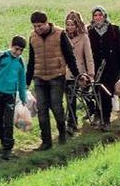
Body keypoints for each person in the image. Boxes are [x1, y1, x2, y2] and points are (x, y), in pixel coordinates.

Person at [26, 10, 80, 150]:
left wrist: (77, 75)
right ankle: (46, 141)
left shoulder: (59, 34)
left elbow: (69, 56)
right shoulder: (32, 37)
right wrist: (26, 81)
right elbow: (31, 61)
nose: (37, 29)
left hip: (56, 76)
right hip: (39, 77)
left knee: (56, 107)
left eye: (40, 26)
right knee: (42, 109)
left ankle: (62, 133)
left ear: (46, 23)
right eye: (35, 26)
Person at [0, 36, 28, 160]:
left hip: (10, 96)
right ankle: (4, 142)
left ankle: (8, 148)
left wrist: (23, 97)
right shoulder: (0, 56)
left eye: (21, 51)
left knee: (8, 123)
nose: (18, 53)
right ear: (11, 45)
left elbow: (22, 80)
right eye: (16, 49)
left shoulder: (20, 62)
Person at [87, 6, 120, 128]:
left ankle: (106, 119)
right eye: (95, 15)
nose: (98, 17)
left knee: (107, 92)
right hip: (95, 67)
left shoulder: (113, 29)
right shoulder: (89, 31)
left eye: (100, 15)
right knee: (96, 92)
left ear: (104, 16)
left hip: (111, 66)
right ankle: (98, 114)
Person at [63, 11, 95, 134]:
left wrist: (90, 74)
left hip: (79, 72)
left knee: (81, 95)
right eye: (68, 24)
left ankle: (90, 107)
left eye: (72, 25)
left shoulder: (83, 37)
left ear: (77, 25)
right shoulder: (63, 36)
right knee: (70, 98)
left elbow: (88, 56)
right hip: (65, 72)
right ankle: (72, 122)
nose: (70, 27)